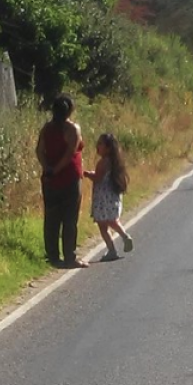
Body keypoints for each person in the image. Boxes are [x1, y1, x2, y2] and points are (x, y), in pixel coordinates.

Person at [35, 95, 89, 269]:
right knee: (69, 218)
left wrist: (48, 169)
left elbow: (40, 150)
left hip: (50, 179)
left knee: (51, 218)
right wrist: (57, 170)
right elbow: (70, 154)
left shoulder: (47, 128)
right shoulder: (73, 129)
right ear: (70, 110)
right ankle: (70, 257)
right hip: (69, 177)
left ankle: (52, 256)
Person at [84, 133, 134, 261]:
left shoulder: (102, 162)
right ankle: (124, 236)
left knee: (103, 226)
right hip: (113, 196)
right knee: (113, 220)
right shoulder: (115, 162)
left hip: (102, 197)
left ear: (108, 148)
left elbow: (98, 177)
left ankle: (112, 250)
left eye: (100, 144)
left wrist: (87, 174)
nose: (97, 146)